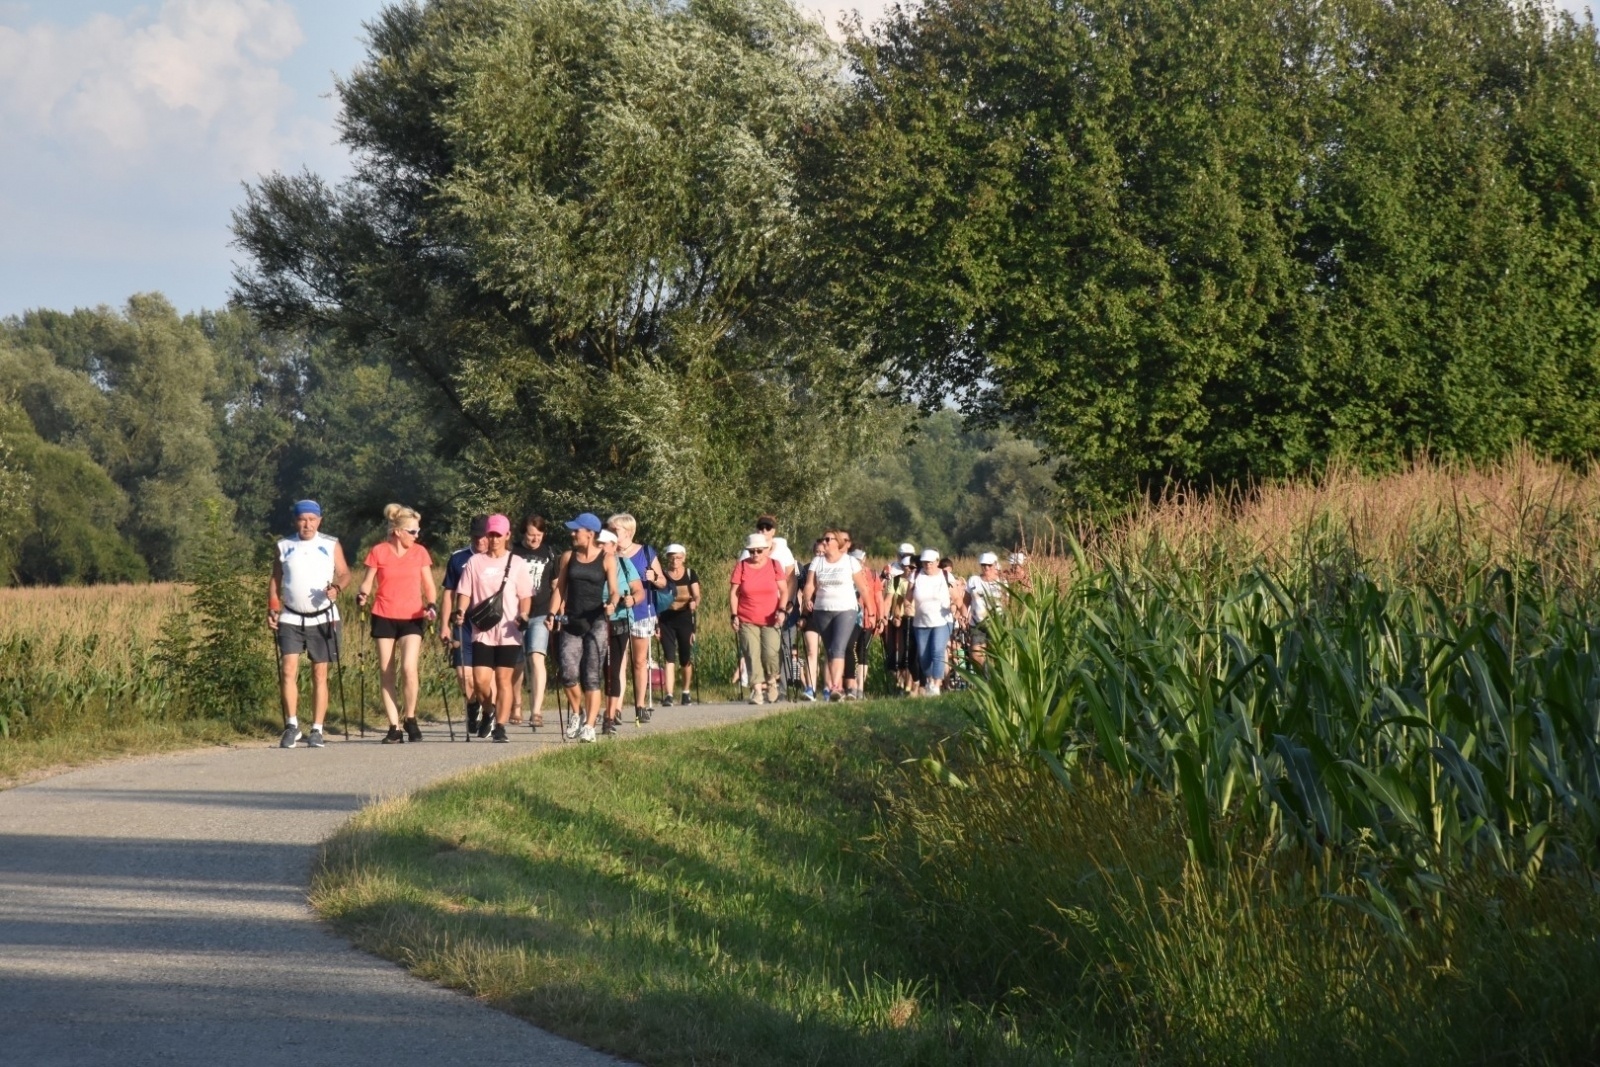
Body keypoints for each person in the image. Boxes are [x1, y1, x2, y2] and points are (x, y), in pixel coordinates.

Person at [267, 500, 351, 748]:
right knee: (288, 670)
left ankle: (317, 728)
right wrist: (272, 606)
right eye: (303, 519)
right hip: (291, 616)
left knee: (319, 673)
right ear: (295, 521)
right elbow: (275, 578)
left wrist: (337, 588)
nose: (307, 524)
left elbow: (345, 574)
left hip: (323, 616)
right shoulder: (284, 545)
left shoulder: (330, 543)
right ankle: (292, 725)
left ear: (319, 521)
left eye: (312, 519)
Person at [356, 503, 437, 743]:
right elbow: (367, 582)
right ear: (398, 531)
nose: (416, 535)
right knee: (386, 671)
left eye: (417, 531)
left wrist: (431, 604)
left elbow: (429, 585)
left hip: (413, 616)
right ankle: (394, 727)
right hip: (383, 614)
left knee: (409, 669)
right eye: (412, 531)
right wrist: (362, 595)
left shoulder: (420, 552)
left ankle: (410, 717)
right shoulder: (379, 551)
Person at [453, 514, 534, 743]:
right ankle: (487, 710)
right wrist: (460, 611)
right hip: (483, 630)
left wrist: (524, 614)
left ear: (507, 536)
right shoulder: (475, 562)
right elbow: (465, 592)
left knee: (503, 680)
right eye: (491, 534)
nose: (494, 539)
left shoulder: (516, 563)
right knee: (479, 681)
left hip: (509, 630)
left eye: (499, 535)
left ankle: (500, 725)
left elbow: (525, 595)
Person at [549, 513, 620, 744]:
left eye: (575, 530)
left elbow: (614, 590)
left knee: (591, 676)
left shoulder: (607, 558)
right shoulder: (568, 557)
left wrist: (612, 603)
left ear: (589, 534)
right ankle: (577, 713)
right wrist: (552, 614)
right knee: (568, 673)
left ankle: (589, 725)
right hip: (572, 621)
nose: (572, 534)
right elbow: (560, 588)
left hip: (596, 620)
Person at [803, 528, 879, 701]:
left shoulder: (850, 562)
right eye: (824, 539)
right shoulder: (817, 561)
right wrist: (808, 598)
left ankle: (836, 687)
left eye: (829, 539)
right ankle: (833, 687)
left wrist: (871, 612)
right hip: (822, 609)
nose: (825, 542)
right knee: (830, 649)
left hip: (846, 609)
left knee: (838, 647)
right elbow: (809, 585)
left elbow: (863, 589)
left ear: (839, 543)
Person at [610, 513, 666, 724]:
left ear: (629, 532)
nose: (612, 534)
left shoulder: (645, 552)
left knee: (640, 661)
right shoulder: (609, 553)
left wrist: (654, 577)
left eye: (616, 530)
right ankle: (615, 707)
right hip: (619, 612)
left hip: (642, 610)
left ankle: (640, 705)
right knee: (618, 660)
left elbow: (662, 581)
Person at [440, 516, 490, 734]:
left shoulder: (498, 559)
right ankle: (472, 706)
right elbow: (448, 594)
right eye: (476, 536)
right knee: (463, 675)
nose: (480, 541)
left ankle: (489, 712)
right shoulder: (458, 558)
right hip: (463, 624)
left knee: (483, 679)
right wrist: (444, 625)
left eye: (484, 536)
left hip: (488, 623)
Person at [731, 533, 791, 704]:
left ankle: (772, 681)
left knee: (771, 653)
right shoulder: (741, 567)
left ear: (766, 550)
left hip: (771, 617)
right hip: (746, 617)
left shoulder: (774, 565)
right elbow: (734, 593)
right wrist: (734, 615)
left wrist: (782, 609)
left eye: (758, 551)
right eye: (751, 551)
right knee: (751, 653)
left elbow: (784, 590)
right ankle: (757, 690)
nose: (755, 554)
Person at [596, 526, 646, 733]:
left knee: (613, 668)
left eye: (603, 544)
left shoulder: (624, 564)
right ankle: (589, 711)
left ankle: (609, 716)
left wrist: (632, 599)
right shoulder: (590, 564)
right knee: (592, 669)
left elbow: (639, 591)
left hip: (619, 620)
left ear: (613, 545)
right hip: (595, 620)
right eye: (597, 543)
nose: (599, 547)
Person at [510, 514, 556, 728]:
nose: (535, 539)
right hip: (515, 614)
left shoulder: (549, 553)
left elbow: (556, 585)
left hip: (541, 612)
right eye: (531, 535)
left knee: (536, 657)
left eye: (539, 535)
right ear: (523, 533)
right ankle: (516, 704)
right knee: (517, 663)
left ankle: (536, 711)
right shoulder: (513, 552)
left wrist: (557, 612)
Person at [910, 548, 962, 695]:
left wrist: (957, 608)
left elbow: (957, 597)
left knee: (938, 651)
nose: (928, 566)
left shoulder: (946, 576)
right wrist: (908, 607)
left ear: (937, 562)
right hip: (921, 622)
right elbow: (908, 597)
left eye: (931, 563)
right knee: (923, 655)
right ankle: (929, 680)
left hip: (942, 620)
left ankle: (937, 684)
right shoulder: (915, 576)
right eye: (925, 563)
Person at [656, 543, 701, 706]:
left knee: (685, 657)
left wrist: (694, 602)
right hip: (666, 620)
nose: (675, 561)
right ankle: (668, 695)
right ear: (667, 558)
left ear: (684, 558)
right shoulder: (663, 576)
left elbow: (697, 595)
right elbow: (656, 598)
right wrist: (656, 623)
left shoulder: (690, 574)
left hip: (685, 619)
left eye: (678, 557)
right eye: (672, 557)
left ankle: (685, 692)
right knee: (669, 656)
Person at [965, 551, 1005, 670]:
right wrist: (963, 615)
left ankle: (994, 680)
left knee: (994, 653)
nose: (986, 568)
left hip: (997, 623)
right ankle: (986, 676)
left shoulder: (1002, 582)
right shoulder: (974, 580)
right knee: (975, 654)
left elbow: (1006, 603)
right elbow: (965, 600)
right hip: (977, 623)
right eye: (983, 565)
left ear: (995, 565)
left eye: (989, 565)